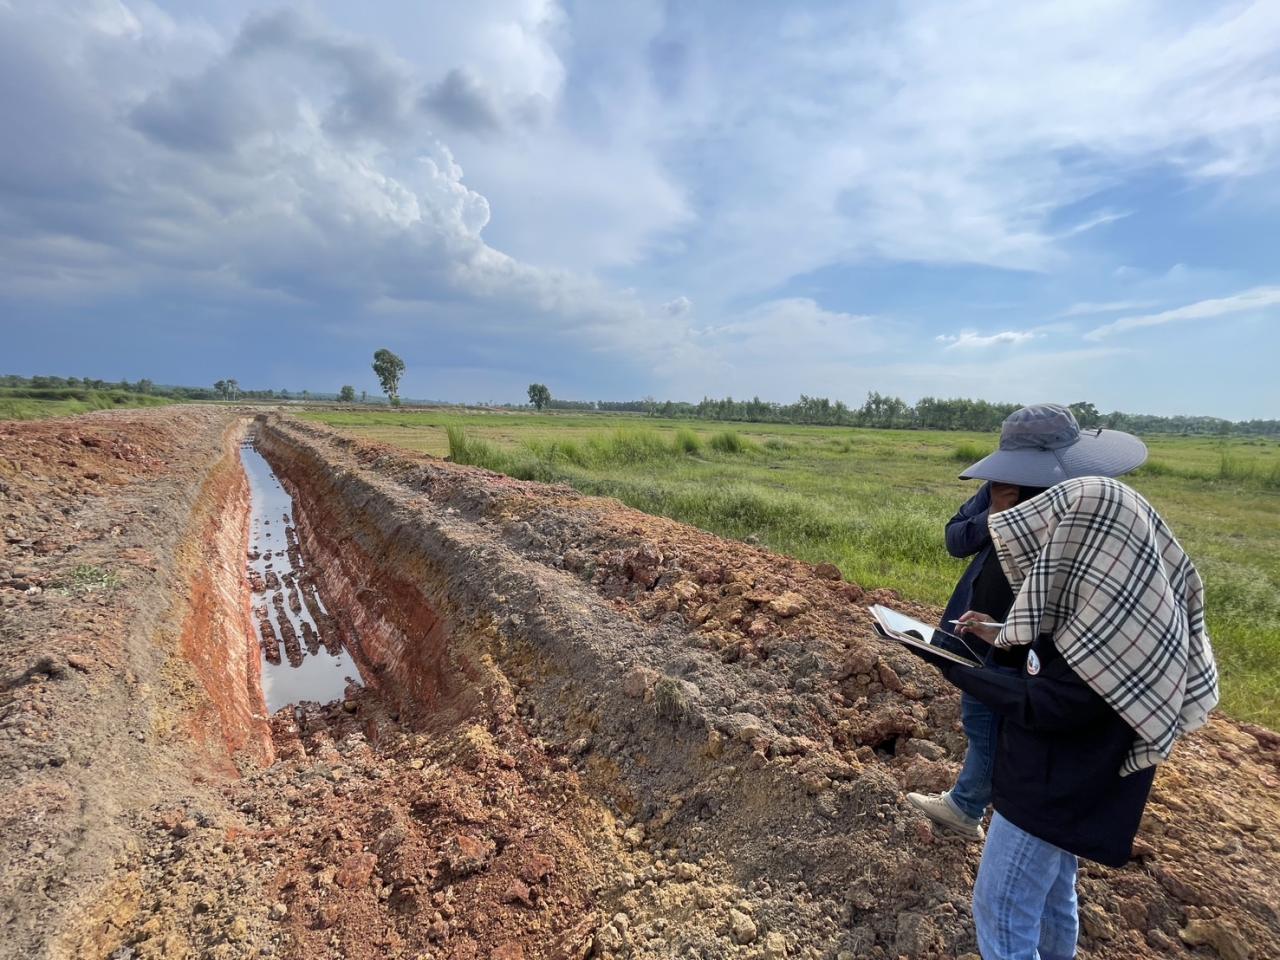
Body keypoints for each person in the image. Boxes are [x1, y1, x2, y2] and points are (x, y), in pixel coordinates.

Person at [908, 476, 1219, 960]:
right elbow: (1053, 650)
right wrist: (998, 633)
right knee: (1055, 895)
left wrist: (951, 665)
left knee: (1002, 909)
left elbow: (1049, 702)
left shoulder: (1110, 634)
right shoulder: (1115, 603)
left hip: (1051, 790)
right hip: (1066, 786)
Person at [909, 404, 1147, 839]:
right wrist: (994, 516)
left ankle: (993, 813)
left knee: (1017, 722)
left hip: (1045, 638)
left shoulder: (1084, 498)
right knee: (980, 713)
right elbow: (954, 539)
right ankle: (977, 805)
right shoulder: (1000, 487)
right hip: (981, 623)